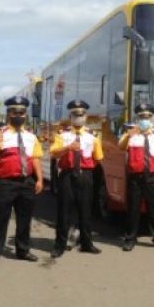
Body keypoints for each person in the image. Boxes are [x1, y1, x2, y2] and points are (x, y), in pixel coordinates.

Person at [0, 96, 44, 269]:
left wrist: (39, 179)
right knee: (0, 219)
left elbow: (36, 159)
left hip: (26, 183)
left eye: (22, 112)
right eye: (14, 112)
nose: (18, 115)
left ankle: (23, 250)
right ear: (8, 113)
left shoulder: (31, 137)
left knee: (25, 219)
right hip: (5, 184)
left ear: (26, 114)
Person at [50, 100, 103, 258]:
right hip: (67, 174)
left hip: (85, 175)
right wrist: (68, 148)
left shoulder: (93, 136)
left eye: (81, 114)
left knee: (86, 211)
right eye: (75, 114)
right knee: (64, 211)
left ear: (86, 116)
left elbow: (99, 157)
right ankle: (59, 245)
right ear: (70, 116)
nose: (78, 117)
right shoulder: (62, 135)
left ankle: (87, 243)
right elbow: (53, 153)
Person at [119, 103, 154, 251]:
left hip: (152, 176)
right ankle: (130, 238)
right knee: (133, 209)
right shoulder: (130, 135)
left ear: (152, 118)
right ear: (137, 118)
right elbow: (121, 146)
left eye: (147, 116)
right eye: (141, 117)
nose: (144, 119)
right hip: (135, 177)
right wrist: (129, 134)